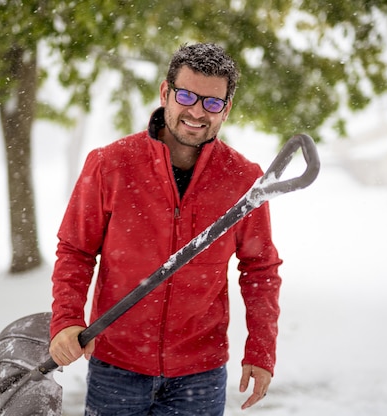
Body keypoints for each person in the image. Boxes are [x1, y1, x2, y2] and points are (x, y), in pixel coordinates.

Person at [49, 42, 282, 415]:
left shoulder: (243, 180)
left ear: (226, 110)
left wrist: (260, 348)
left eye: (212, 102)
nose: (196, 111)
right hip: (117, 366)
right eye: (186, 95)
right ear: (165, 93)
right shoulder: (110, 165)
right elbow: (75, 250)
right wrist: (66, 319)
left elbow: (260, 268)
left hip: (200, 373)